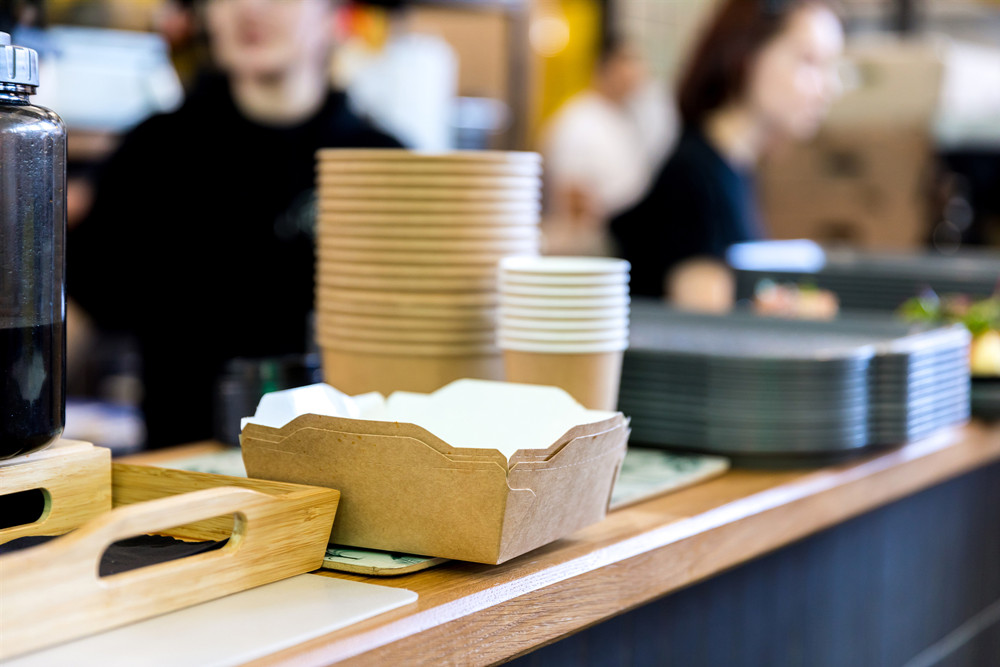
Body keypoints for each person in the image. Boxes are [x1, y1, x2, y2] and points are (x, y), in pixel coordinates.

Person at [68, 0, 402, 448]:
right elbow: (83, 307)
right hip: (183, 466)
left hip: (346, 464)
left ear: (334, 15)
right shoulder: (155, 152)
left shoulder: (383, 164)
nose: (250, 7)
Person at [609, 0, 844, 302]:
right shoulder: (695, 177)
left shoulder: (734, 167)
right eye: (809, 61)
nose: (829, 87)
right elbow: (707, 320)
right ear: (746, 53)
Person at [540, 36, 676, 256]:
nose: (639, 70)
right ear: (604, 66)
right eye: (629, 60)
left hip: (627, 241)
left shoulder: (624, 119)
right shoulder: (579, 121)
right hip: (597, 249)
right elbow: (574, 203)